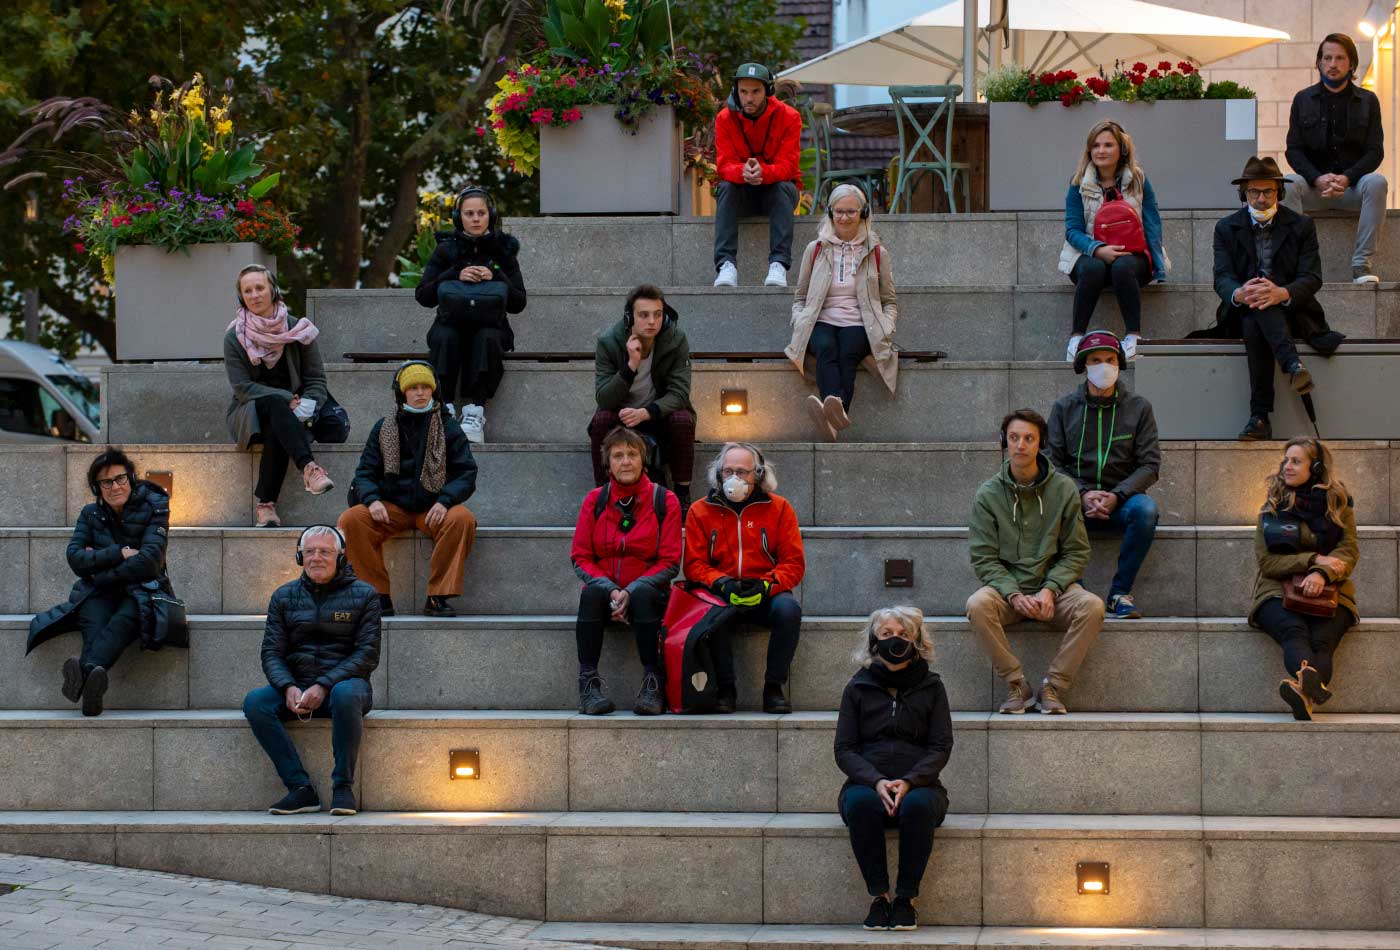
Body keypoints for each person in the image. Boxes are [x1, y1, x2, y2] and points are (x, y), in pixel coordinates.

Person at [965, 410, 1104, 715]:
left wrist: (1051, 589)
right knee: (977, 605)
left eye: (1029, 438)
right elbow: (983, 558)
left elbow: (1077, 551)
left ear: (1041, 443)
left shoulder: (1064, 489)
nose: (1020, 445)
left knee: (1093, 607)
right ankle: (1018, 685)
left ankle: (1053, 686)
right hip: (1007, 593)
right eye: (1014, 437)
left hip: (1054, 592)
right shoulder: (988, 494)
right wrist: (1013, 593)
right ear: (1004, 441)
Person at [27, 448, 184, 717]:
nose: (115, 487)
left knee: (125, 618)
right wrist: (119, 553)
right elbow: (76, 559)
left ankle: (84, 674)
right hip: (100, 592)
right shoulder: (90, 514)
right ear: (97, 488)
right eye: (106, 482)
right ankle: (93, 690)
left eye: (120, 478)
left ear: (130, 478)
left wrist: (100, 572)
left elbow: (150, 561)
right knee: (93, 618)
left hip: (142, 591)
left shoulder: (155, 506)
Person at [242, 525, 379, 816]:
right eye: (310, 552)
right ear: (299, 557)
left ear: (341, 557)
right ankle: (300, 789)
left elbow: (367, 654)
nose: (316, 558)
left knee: (345, 694)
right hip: (298, 686)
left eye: (325, 552)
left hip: (347, 687)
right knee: (255, 702)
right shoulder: (283, 596)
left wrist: (324, 684)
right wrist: (287, 686)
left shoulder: (365, 595)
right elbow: (271, 652)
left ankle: (343, 787)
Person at [834, 606, 952, 932]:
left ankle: (905, 900)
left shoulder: (932, 686)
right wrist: (876, 782)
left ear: (917, 641)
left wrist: (910, 781)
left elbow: (941, 746)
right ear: (874, 641)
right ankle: (880, 897)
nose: (895, 640)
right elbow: (844, 749)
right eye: (887, 634)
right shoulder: (857, 687)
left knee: (918, 806)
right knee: (860, 804)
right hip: (866, 785)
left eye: (904, 634)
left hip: (921, 786)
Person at [1211, 156, 1344, 442]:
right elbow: (1221, 277)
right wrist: (1239, 293)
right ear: (1243, 194)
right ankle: (1292, 365)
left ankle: (1259, 417)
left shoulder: (1302, 225)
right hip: (1242, 310)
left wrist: (1282, 293)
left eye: (1268, 191)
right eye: (1254, 192)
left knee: (1258, 314)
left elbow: (1312, 277)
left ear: (1279, 192)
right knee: (1256, 308)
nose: (1261, 199)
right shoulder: (1225, 228)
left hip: (1291, 312)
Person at [338, 361, 478, 618]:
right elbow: (365, 472)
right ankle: (377, 596)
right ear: (402, 392)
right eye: (413, 388)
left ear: (434, 390)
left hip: (433, 506)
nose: (420, 393)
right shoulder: (384, 427)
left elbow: (466, 473)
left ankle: (438, 596)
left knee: (462, 519)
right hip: (392, 507)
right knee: (351, 520)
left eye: (426, 387)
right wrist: (372, 500)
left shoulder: (449, 427)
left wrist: (445, 501)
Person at [683, 442, 805, 713]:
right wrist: (721, 582)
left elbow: (793, 563)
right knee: (712, 614)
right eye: (728, 471)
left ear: (758, 474)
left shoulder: (780, 508)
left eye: (742, 472)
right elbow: (693, 564)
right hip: (723, 592)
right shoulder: (700, 511)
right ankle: (726, 690)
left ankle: (773, 688)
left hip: (764, 592)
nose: (734, 478)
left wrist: (766, 585)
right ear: (719, 474)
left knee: (789, 610)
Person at [1048, 331, 1161, 619]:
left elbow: (1150, 464)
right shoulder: (1064, 408)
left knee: (1146, 510)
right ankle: (1076, 591)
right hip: (1075, 500)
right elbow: (1051, 462)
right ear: (1083, 365)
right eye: (1095, 360)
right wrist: (1082, 493)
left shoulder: (1139, 408)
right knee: (1051, 505)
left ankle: (1119, 594)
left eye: (1110, 360)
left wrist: (1117, 495)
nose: (1104, 366)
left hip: (1122, 500)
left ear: (1120, 363)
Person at [571, 426, 682, 716]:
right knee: (591, 593)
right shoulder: (595, 500)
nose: (625, 461)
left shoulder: (664, 500)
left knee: (643, 593)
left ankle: (653, 683)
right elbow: (581, 557)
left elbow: (670, 561)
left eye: (632, 454)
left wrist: (630, 591)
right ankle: (588, 684)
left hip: (648, 595)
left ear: (644, 460)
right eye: (618, 455)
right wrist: (612, 590)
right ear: (607, 463)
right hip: (605, 594)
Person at [224, 264, 344, 528]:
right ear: (241, 296)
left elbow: (316, 379)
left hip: (293, 412)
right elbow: (242, 387)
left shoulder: (299, 329)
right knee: (277, 405)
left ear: (273, 290)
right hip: (249, 412)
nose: (254, 295)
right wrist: (285, 396)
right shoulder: (235, 336)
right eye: (247, 291)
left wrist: (308, 404)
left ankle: (266, 507)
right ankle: (309, 468)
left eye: (259, 288)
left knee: (277, 424)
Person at [1248, 438, 1358, 721]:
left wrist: (1322, 574)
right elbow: (1268, 562)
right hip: (1275, 590)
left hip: (1332, 590)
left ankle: (1302, 692)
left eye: (1296, 461)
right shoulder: (1272, 508)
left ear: (1316, 467)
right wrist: (1313, 561)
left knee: (1323, 641)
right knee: (1294, 632)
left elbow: (1348, 551)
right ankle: (1312, 687)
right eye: (1286, 460)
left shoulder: (1339, 505)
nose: (1287, 466)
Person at [413, 185, 528, 443]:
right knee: (445, 337)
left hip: (491, 325)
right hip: (450, 323)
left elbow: (519, 302)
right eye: (469, 214)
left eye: (481, 213)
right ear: (459, 217)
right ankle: (444, 410)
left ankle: (476, 411)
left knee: (488, 337)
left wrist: (495, 274)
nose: (476, 219)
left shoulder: (503, 251)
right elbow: (423, 296)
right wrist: (455, 273)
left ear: (491, 215)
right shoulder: (446, 250)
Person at [786, 183, 898, 441]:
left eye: (851, 211)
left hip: (861, 322)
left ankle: (832, 416)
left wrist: (886, 325)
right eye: (839, 211)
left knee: (848, 351)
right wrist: (800, 319)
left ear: (863, 213)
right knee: (826, 347)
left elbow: (889, 300)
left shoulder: (877, 252)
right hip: (820, 320)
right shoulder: (815, 249)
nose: (844, 217)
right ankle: (836, 416)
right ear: (830, 213)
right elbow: (800, 296)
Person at [1059, 119, 1169, 364]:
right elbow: (1073, 230)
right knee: (1093, 268)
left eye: (1108, 145)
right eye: (1095, 145)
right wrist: (1097, 249)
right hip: (1089, 255)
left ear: (1122, 149)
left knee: (1123, 266)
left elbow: (1152, 223)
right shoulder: (1078, 183)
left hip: (1132, 257)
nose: (1101, 150)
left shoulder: (1139, 179)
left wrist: (1157, 264)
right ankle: (1076, 338)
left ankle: (1133, 338)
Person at [1283, 33, 1387, 283]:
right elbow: (1293, 149)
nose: (1333, 64)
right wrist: (1316, 179)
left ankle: (1361, 265)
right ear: (1319, 62)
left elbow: (1375, 150)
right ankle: (1299, 265)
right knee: (1288, 183)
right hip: (1314, 189)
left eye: (1340, 58)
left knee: (1377, 182)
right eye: (1327, 58)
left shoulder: (1368, 101)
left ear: (1351, 64)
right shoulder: (1302, 99)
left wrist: (1347, 178)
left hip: (1352, 189)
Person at [588, 285, 695, 512]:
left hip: (658, 415)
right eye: (644, 315)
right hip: (622, 417)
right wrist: (631, 365)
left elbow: (679, 393)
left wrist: (647, 412)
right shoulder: (609, 342)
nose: (652, 322)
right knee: (601, 420)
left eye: (658, 314)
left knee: (682, 419)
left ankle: (683, 494)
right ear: (630, 318)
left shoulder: (676, 340)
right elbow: (604, 398)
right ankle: (603, 494)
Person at [712, 63, 802, 289]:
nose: (749, 98)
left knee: (783, 187)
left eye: (755, 91)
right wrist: (742, 172)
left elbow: (789, 166)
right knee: (726, 188)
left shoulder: (790, 117)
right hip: (742, 192)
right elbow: (724, 165)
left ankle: (778, 264)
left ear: (768, 91)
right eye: (743, 91)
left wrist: (764, 172)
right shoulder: (724, 118)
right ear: (735, 90)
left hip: (777, 194)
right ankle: (725, 266)